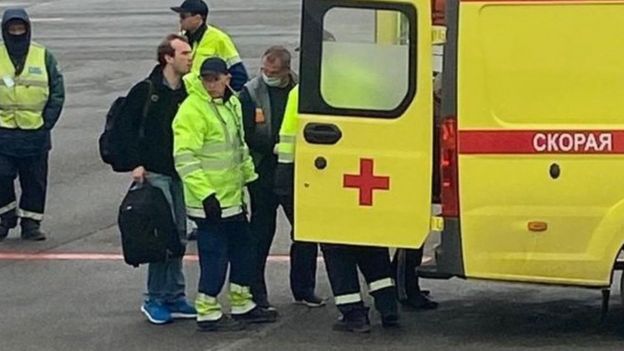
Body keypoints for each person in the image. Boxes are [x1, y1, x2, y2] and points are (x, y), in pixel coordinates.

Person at [276, 87, 398, 333]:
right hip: (366, 172)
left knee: (335, 246)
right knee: (372, 242)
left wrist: (284, 175)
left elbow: (290, 138)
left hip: (326, 175)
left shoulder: (303, 91)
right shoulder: (370, 84)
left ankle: (353, 314)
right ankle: (388, 308)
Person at [173, 57, 277, 332]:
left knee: (244, 250)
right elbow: (185, 158)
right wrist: (206, 195)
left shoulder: (230, 103)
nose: (211, 85)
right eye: (207, 79)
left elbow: (238, 148)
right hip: (209, 202)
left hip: (232, 197)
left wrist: (251, 179)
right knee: (214, 255)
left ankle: (242, 303)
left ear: (227, 78)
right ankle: (207, 309)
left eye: (215, 79)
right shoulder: (192, 110)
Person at [239, 46, 324, 310]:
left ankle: (304, 288)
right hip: (264, 170)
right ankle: (256, 291)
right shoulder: (250, 93)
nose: (267, 74)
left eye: (273, 72)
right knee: (261, 232)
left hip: (296, 171)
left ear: (287, 71)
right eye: (265, 69)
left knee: (304, 231)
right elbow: (246, 132)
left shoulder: (302, 89)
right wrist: (270, 148)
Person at [122, 34, 196, 325]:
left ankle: (174, 295)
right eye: (184, 53)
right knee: (159, 237)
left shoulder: (186, 92)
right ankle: (154, 298)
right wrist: (135, 164)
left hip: (179, 173)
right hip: (155, 173)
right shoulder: (146, 90)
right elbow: (125, 129)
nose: (189, 58)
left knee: (178, 235)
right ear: (168, 57)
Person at [0, 8, 64, 242]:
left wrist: (47, 122)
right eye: (12, 29)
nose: (17, 33)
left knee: (34, 181)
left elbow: (57, 91)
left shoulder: (43, 55)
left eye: (20, 28)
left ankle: (31, 224)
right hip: (3, 132)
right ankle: (5, 217)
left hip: (35, 132)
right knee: (2, 175)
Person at [171, 0, 248, 91]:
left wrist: (223, 98)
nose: (180, 20)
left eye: (183, 16)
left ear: (197, 18)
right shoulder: (181, 40)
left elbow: (239, 75)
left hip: (208, 98)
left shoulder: (219, 39)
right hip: (186, 97)